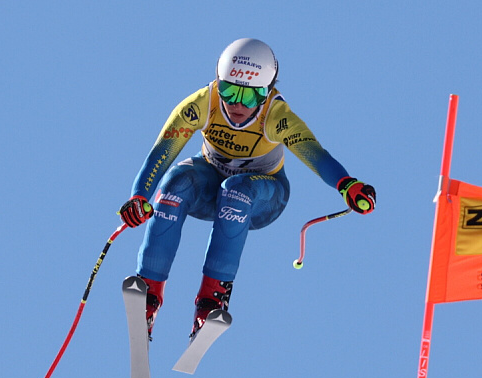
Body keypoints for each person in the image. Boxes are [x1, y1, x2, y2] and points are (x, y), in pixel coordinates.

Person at [119, 38, 376, 341]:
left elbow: (315, 154)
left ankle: (212, 298)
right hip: (209, 185)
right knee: (176, 183)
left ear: (266, 93)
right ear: (218, 83)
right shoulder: (203, 103)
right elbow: (161, 153)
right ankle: (149, 289)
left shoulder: (276, 117)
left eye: (251, 97)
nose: (238, 104)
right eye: (229, 91)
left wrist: (346, 185)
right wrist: (139, 197)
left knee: (236, 190)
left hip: (263, 195)